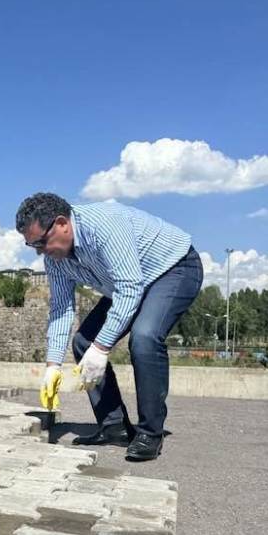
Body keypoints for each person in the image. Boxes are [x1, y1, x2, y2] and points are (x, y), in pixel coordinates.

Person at [15, 193, 203, 461]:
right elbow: (61, 309)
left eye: (41, 243)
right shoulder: (55, 259)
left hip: (173, 268)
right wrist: (52, 365)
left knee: (144, 337)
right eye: (32, 246)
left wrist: (102, 348)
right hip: (131, 283)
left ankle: (150, 433)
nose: (40, 252)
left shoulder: (104, 225)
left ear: (61, 223)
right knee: (83, 342)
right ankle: (114, 427)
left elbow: (129, 288)